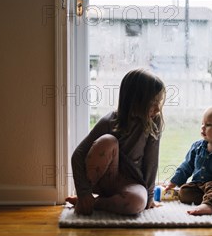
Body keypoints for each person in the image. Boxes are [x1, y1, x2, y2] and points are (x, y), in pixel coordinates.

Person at [67, 68, 165, 215]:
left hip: (130, 182)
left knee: (138, 202)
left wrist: (149, 197)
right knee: (108, 141)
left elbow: (151, 161)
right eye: (152, 103)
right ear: (134, 100)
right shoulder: (110, 121)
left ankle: (96, 203)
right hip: (103, 179)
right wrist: (84, 192)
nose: (158, 109)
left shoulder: (154, 122)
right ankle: (85, 198)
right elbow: (78, 155)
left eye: (159, 102)